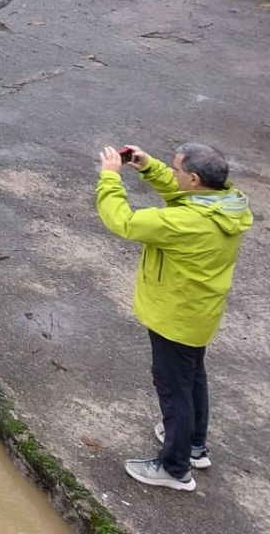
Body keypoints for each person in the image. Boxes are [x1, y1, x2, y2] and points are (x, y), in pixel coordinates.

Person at [96, 141, 253, 492]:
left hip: (174, 315)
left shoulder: (184, 223)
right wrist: (148, 166)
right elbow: (185, 194)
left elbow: (124, 222)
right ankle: (195, 446)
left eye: (177, 169)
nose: (173, 173)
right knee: (193, 378)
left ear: (194, 178)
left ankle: (174, 468)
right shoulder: (226, 202)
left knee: (173, 390)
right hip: (199, 312)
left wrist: (110, 179)